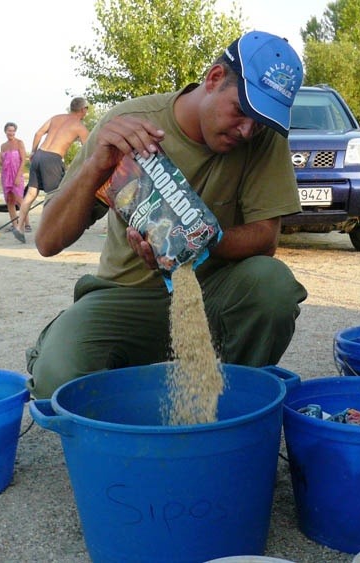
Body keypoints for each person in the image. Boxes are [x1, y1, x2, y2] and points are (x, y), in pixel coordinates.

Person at [25, 31, 308, 399]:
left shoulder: (263, 137)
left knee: (273, 286)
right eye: (241, 110)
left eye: (261, 119)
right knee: (58, 377)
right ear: (214, 78)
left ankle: (226, 400)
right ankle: (72, 353)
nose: (247, 130)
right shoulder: (128, 123)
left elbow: (266, 238)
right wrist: (98, 165)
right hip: (127, 294)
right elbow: (48, 241)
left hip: (211, 292)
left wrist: (198, 242)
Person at [18, 97, 90, 233]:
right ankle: (48, 230)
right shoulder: (80, 127)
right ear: (83, 110)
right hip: (52, 158)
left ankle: (19, 226)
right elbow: (88, 150)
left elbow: (38, 133)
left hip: (39, 154)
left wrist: (33, 151)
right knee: (54, 196)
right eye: (86, 109)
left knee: (31, 193)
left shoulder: (56, 118)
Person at [0, 122, 28, 243]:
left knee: (20, 200)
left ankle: (25, 224)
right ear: (5, 131)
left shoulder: (19, 143)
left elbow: (23, 160)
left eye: (13, 131)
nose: (11, 133)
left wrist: (18, 176)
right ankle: (15, 225)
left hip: (17, 175)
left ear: (15, 132)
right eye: (9, 130)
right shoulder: (3, 146)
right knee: (10, 201)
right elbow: (2, 163)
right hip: (6, 176)